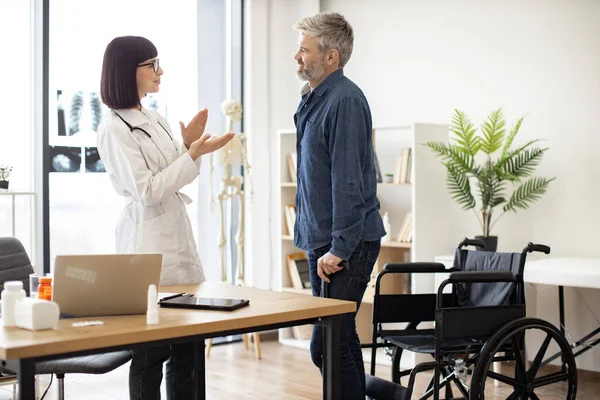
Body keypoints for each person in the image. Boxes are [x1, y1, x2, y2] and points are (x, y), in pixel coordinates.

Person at [96, 36, 234, 400]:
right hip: (147, 243)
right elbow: (149, 190)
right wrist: (189, 155)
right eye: (152, 64)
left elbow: (179, 171)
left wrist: (190, 147)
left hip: (176, 238)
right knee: (150, 351)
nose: (161, 71)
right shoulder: (114, 129)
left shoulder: (153, 118)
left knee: (188, 347)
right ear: (130, 71)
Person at [292, 12, 386, 399]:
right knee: (341, 341)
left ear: (330, 56)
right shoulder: (316, 98)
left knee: (326, 346)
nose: (297, 57)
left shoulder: (344, 101)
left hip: (346, 244)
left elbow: (348, 182)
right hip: (324, 241)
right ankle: (386, 395)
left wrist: (338, 249)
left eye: (304, 49)